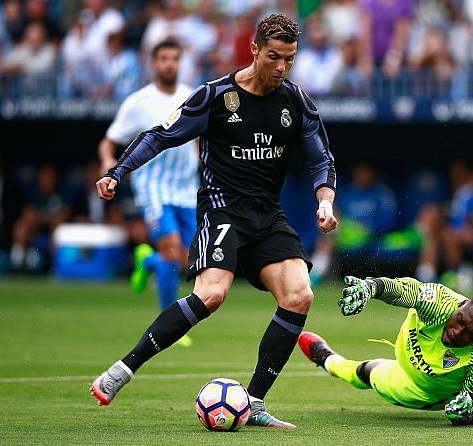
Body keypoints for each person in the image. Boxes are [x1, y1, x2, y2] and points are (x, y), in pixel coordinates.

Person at [92, 13, 338, 429]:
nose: (281, 68)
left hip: (267, 215)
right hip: (222, 211)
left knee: (299, 295)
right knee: (212, 294)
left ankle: (255, 403)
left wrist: (325, 202)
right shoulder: (216, 96)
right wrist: (117, 171)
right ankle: (122, 370)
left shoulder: (296, 101)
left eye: (290, 60)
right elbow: (160, 134)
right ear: (254, 50)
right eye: (274, 57)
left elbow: (322, 160)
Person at [299, 274, 473, 425]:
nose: (456, 332)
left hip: (422, 388)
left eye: (470, 334)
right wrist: (370, 288)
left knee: (369, 370)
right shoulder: (440, 302)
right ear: (463, 304)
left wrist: (464, 414)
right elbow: (402, 290)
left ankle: (328, 360)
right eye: (460, 319)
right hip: (407, 352)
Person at [97, 38, 198, 348]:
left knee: (189, 260)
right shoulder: (138, 102)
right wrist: (107, 164)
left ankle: (148, 262)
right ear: (153, 63)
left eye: (174, 58)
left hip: (187, 188)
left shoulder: (192, 96)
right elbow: (109, 141)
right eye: (163, 58)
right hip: (152, 187)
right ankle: (171, 325)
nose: (169, 64)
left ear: (180, 63)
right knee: (171, 250)